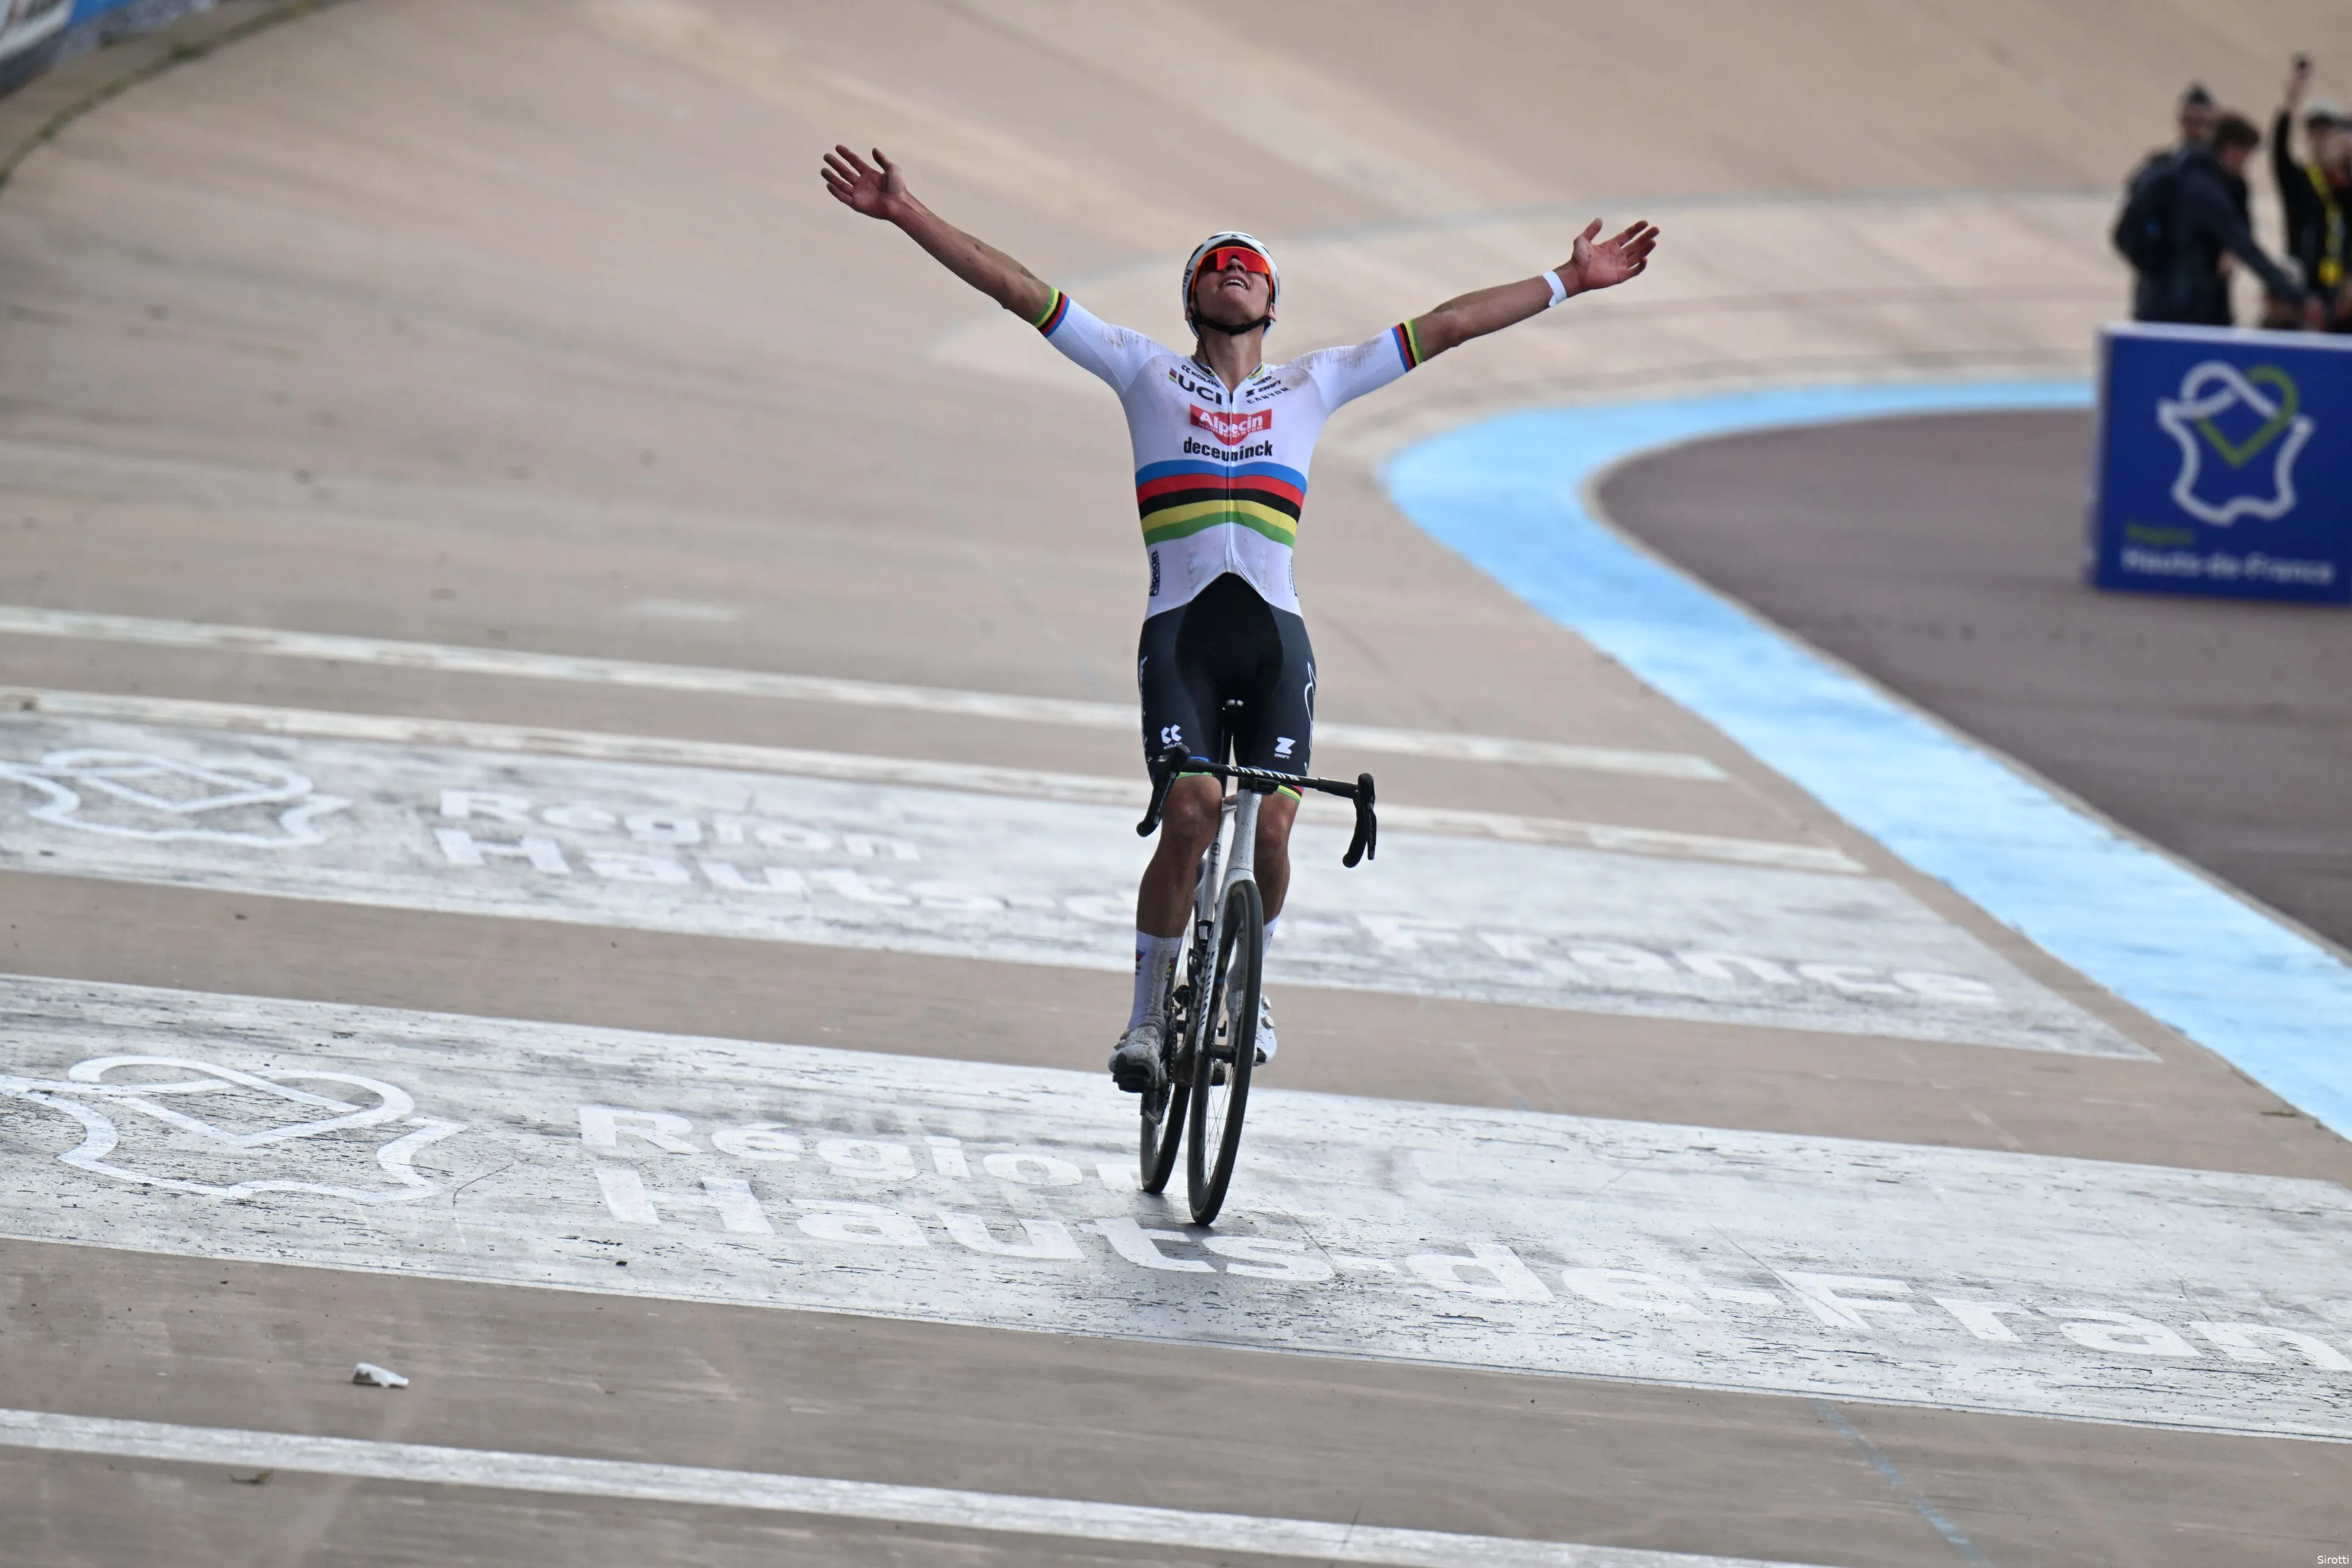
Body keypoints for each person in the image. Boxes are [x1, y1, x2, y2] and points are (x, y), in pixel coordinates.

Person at [820, 145, 1659, 1092]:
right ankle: (1142, 1021)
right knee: (1192, 809)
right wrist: (907, 212)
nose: (1233, 272)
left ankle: (1248, 993)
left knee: (1270, 831)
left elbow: (1451, 325)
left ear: (1272, 304)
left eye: (1250, 267)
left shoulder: (1317, 382)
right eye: (1215, 265)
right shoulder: (1141, 370)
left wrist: (1568, 282)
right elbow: (1018, 288)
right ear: (1191, 301)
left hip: (1272, 637)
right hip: (1183, 631)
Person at [2132, 112, 2313, 327]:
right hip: (2183, 310)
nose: (2246, 165)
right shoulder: (2205, 190)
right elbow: (2246, 247)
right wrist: (2297, 296)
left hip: (2156, 302)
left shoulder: (2188, 175)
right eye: (2246, 156)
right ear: (2232, 150)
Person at [2116, 84, 2215, 318]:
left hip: (2208, 302)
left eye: (2205, 124)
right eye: (2192, 123)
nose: (2198, 131)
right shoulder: (2160, 170)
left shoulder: (2221, 177)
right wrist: (2155, 266)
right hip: (2161, 298)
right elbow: (2127, 231)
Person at [2272, 58, 2349, 330]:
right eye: (2313, 132)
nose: (2320, 139)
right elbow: (2279, 153)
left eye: (2327, 132)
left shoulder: (2345, 185)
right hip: (2305, 293)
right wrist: (2290, 102)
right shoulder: (2299, 181)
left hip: (2342, 292)